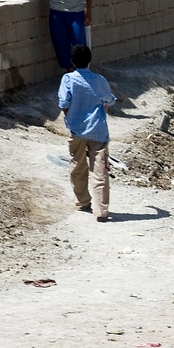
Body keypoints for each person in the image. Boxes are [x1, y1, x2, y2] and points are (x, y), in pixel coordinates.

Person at [58, 45, 116, 222]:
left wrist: (72, 121)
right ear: (89, 60)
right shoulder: (99, 80)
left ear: (72, 61)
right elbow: (110, 99)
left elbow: (64, 103)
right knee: (100, 171)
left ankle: (83, 201)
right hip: (98, 131)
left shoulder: (68, 79)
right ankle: (101, 211)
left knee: (77, 166)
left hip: (77, 131)